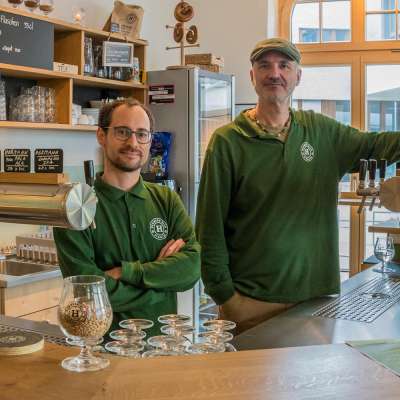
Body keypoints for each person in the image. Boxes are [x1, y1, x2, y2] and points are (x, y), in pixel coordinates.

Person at [195, 37, 400, 334]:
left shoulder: (321, 131)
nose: (274, 73)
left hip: (318, 302)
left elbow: (377, 145)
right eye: (264, 66)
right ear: (252, 76)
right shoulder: (228, 142)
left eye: (284, 65)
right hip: (252, 302)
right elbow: (209, 229)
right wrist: (227, 298)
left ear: (298, 76)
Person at [54, 98, 200, 336]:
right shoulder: (75, 207)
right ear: (101, 136)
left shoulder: (166, 199)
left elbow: (192, 268)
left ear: (149, 141)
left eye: (142, 134)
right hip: (101, 349)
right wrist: (161, 284)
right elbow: (87, 294)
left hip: (162, 346)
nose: (133, 143)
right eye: (122, 132)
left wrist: (125, 272)